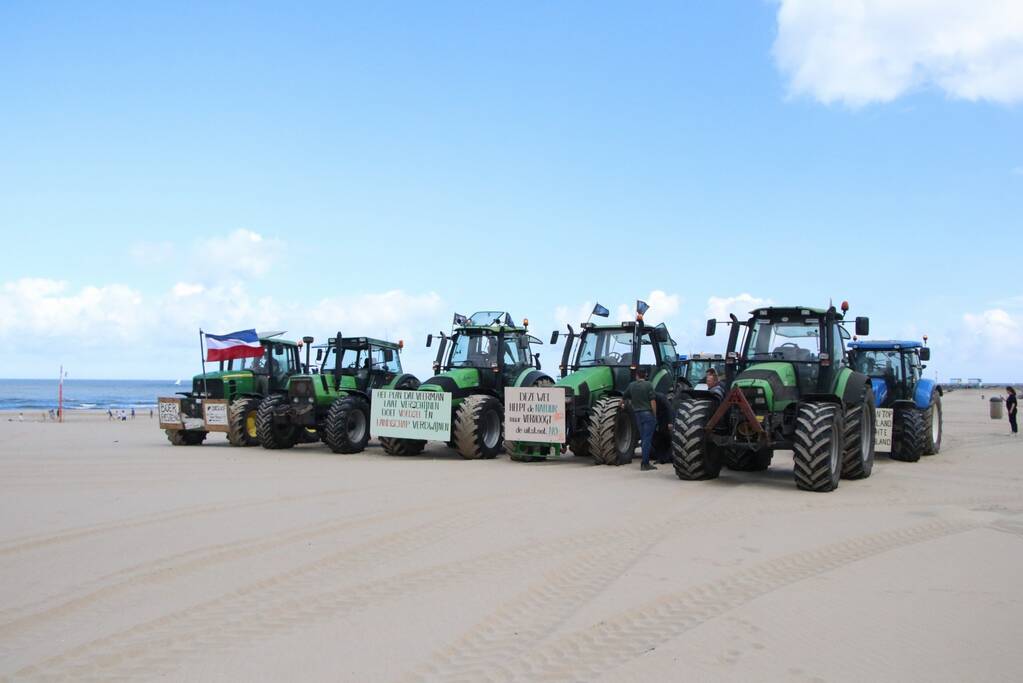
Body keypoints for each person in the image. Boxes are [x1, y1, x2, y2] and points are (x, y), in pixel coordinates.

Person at [623, 368, 658, 471]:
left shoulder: (631, 385)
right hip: (647, 414)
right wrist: (654, 415)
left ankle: (645, 461)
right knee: (647, 439)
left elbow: (624, 397)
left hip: (636, 414)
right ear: (645, 375)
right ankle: (645, 463)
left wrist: (620, 405)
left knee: (643, 438)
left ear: (637, 375)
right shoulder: (648, 385)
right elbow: (653, 401)